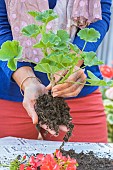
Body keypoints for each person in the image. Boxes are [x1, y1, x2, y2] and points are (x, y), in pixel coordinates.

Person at [0, 0, 112, 142]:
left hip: (75, 86)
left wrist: (71, 64)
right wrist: (27, 81)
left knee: (91, 162)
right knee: (9, 163)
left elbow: (100, 13)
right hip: (10, 91)